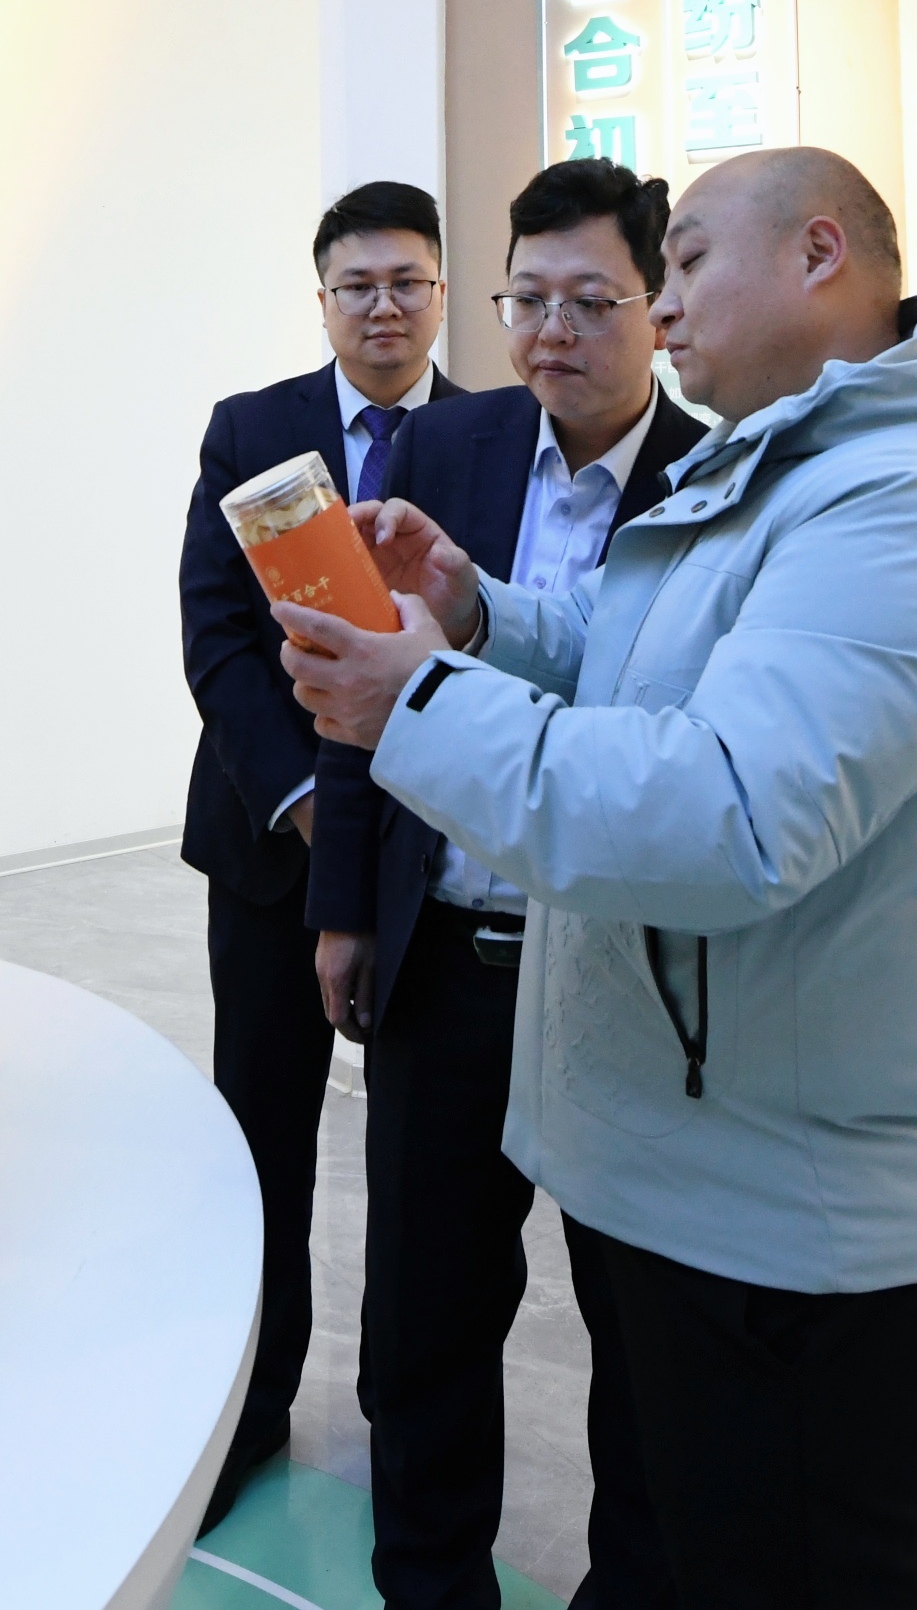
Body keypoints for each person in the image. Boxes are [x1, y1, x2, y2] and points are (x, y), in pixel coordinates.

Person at [274, 146, 917, 1610]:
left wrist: (417, 702)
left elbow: (727, 813)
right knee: (663, 1531)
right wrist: (478, 611)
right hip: (689, 1150)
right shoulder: (793, 467)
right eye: (538, 297)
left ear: (819, 254)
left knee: (775, 1564)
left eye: (683, 263)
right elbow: (642, 658)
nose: (664, 304)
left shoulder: (915, 508)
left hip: (787, 1205)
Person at [304, 157, 706, 1610]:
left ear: (657, 309)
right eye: (527, 300)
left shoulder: (717, 477)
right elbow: (364, 682)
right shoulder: (446, 443)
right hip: (445, 959)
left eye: (591, 300)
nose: (553, 332)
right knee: (422, 1321)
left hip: (615, 981)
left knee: (641, 1338)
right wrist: (347, 906)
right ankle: (428, 1587)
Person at [177, 178, 468, 1530]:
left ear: (441, 294)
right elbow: (215, 638)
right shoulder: (254, 429)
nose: (383, 307)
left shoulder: (489, 434)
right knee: (260, 1140)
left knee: (421, 1170)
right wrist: (304, 800)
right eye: (358, 285)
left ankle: (406, 1436)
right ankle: (251, 1412)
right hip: (270, 851)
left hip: (428, 862)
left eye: (407, 282)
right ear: (323, 299)